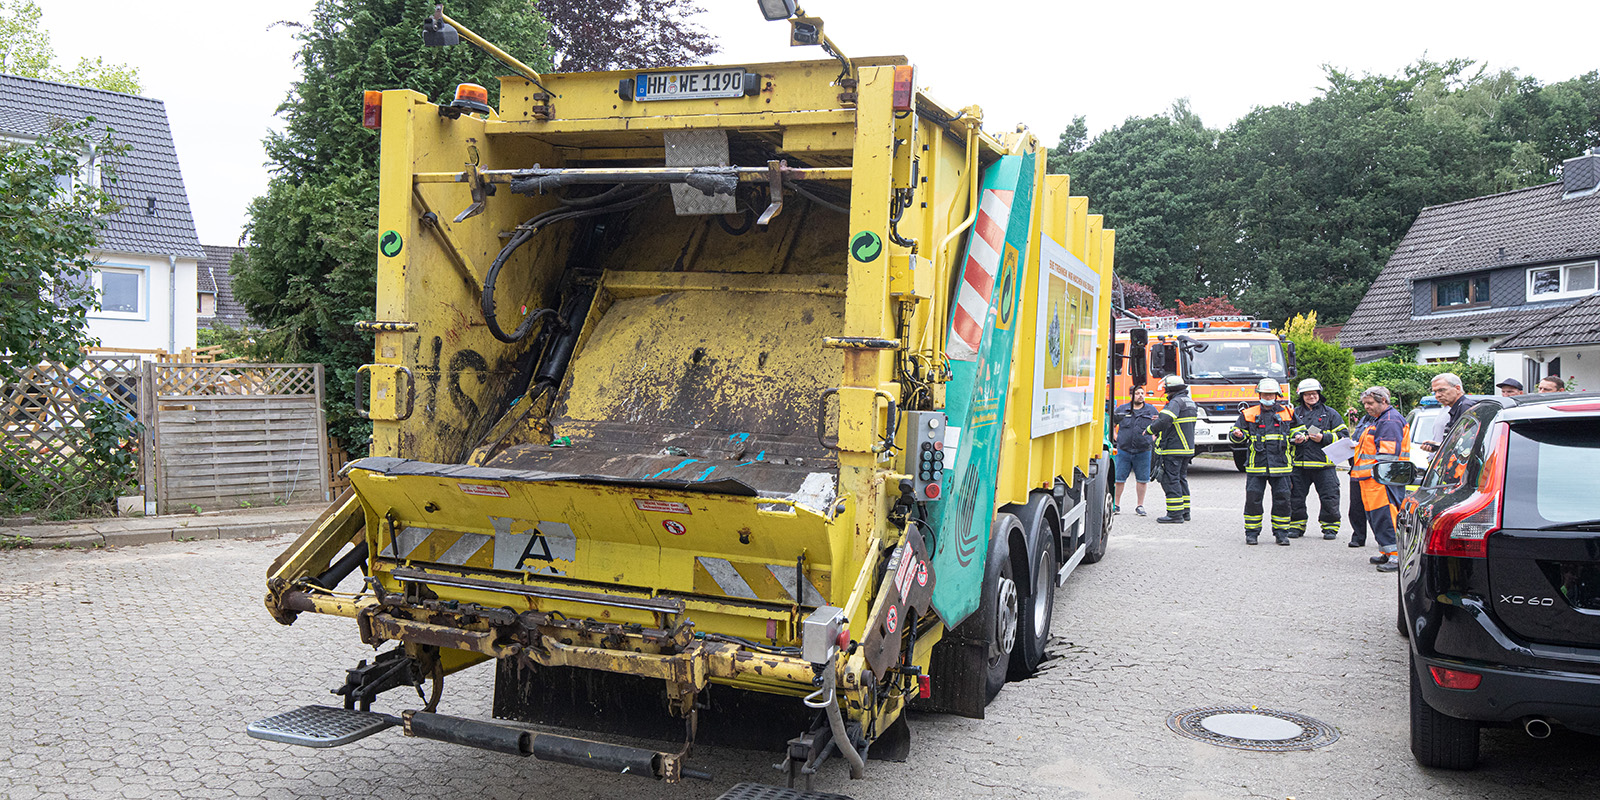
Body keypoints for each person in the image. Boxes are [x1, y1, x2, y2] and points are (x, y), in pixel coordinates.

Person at [1228, 378, 1303, 545]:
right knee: (1253, 499)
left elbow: (1299, 430)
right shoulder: (1248, 414)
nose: (1268, 397)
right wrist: (1237, 435)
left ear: (1276, 395)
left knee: (1283, 500)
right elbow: (1236, 434)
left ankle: (1282, 533)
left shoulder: (1288, 413)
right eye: (1265, 394)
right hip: (1257, 465)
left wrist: (1299, 437)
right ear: (1259, 394)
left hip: (1281, 465)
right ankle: (1252, 533)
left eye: (1271, 394)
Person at [1350, 386, 1410, 572]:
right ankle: (1387, 551)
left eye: (1370, 403)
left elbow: (1388, 455)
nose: (1367, 407)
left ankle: (1396, 556)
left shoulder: (1390, 421)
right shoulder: (1380, 419)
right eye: (1365, 403)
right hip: (1373, 478)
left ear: (1383, 401)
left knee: (1387, 516)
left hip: (1383, 478)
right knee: (1377, 517)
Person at [1287, 378, 1347, 540]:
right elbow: (1284, 435)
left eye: (1313, 394)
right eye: (1307, 394)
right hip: (1298, 465)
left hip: (1324, 465)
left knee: (1330, 497)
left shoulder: (1330, 413)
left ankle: (1330, 527)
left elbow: (1343, 437)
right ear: (1302, 396)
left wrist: (1323, 437)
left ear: (1319, 394)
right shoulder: (1294, 414)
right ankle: (1296, 526)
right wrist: (1294, 439)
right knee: (1295, 497)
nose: (1311, 397)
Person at [1148, 374, 1198, 524]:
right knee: (1181, 478)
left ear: (1170, 389)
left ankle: (1175, 514)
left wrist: (1150, 429)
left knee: (1170, 480)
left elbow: (1166, 419)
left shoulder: (1175, 402)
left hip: (1174, 448)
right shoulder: (1189, 402)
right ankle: (1185, 512)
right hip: (1186, 448)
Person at [1112, 386, 1159, 516]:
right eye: (1137, 393)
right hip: (1124, 450)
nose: (1140, 395)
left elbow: (1158, 425)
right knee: (1119, 479)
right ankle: (1116, 505)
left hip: (1143, 450)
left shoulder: (1151, 410)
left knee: (1143, 479)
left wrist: (1153, 438)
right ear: (1131, 395)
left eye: (1142, 393)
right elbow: (1112, 423)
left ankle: (1140, 505)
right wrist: (1116, 436)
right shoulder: (1122, 410)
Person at [1418, 372, 1475, 456]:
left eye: (1441, 390)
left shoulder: (1466, 408)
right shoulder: (1455, 408)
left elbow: (1467, 444)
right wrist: (1438, 446)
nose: (1437, 395)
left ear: (1457, 388)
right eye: (1435, 392)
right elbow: (1455, 443)